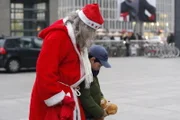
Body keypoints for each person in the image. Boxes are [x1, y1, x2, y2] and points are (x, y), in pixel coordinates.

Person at [29, 3, 104, 120]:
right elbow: (44, 72)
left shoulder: (75, 38)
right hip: (58, 99)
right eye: (91, 31)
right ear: (85, 28)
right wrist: (60, 97)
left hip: (68, 95)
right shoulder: (58, 36)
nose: (92, 36)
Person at [79, 45, 118, 120]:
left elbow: (96, 89)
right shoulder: (85, 74)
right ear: (92, 60)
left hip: (93, 114)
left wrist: (102, 99)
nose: (99, 68)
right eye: (99, 65)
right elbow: (86, 98)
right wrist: (101, 113)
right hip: (87, 115)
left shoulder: (93, 72)